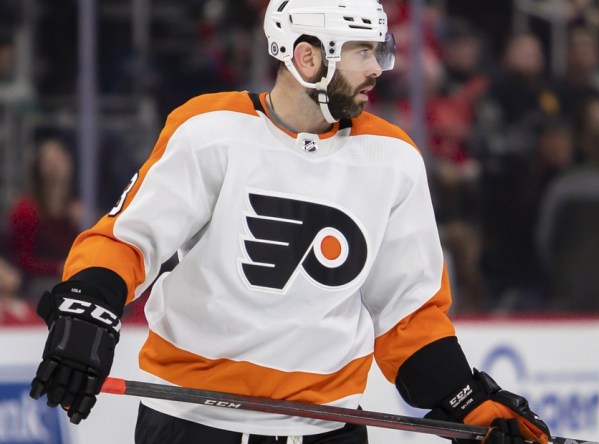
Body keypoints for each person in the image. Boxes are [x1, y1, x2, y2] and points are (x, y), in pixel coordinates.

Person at [28, 1, 551, 444]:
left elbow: (408, 317)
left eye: (377, 50)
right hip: (192, 424)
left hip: (330, 429)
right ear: (306, 57)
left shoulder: (393, 159)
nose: (378, 68)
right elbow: (126, 242)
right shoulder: (211, 131)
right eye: (362, 52)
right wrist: (89, 308)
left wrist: (465, 400)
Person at [7, 135, 81, 301]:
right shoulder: (26, 210)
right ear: (38, 167)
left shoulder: (77, 209)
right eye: (50, 160)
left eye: (60, 158)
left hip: (69, 275)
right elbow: (21, 260)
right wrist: (56, 268)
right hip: (35, 282)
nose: (56, 165)